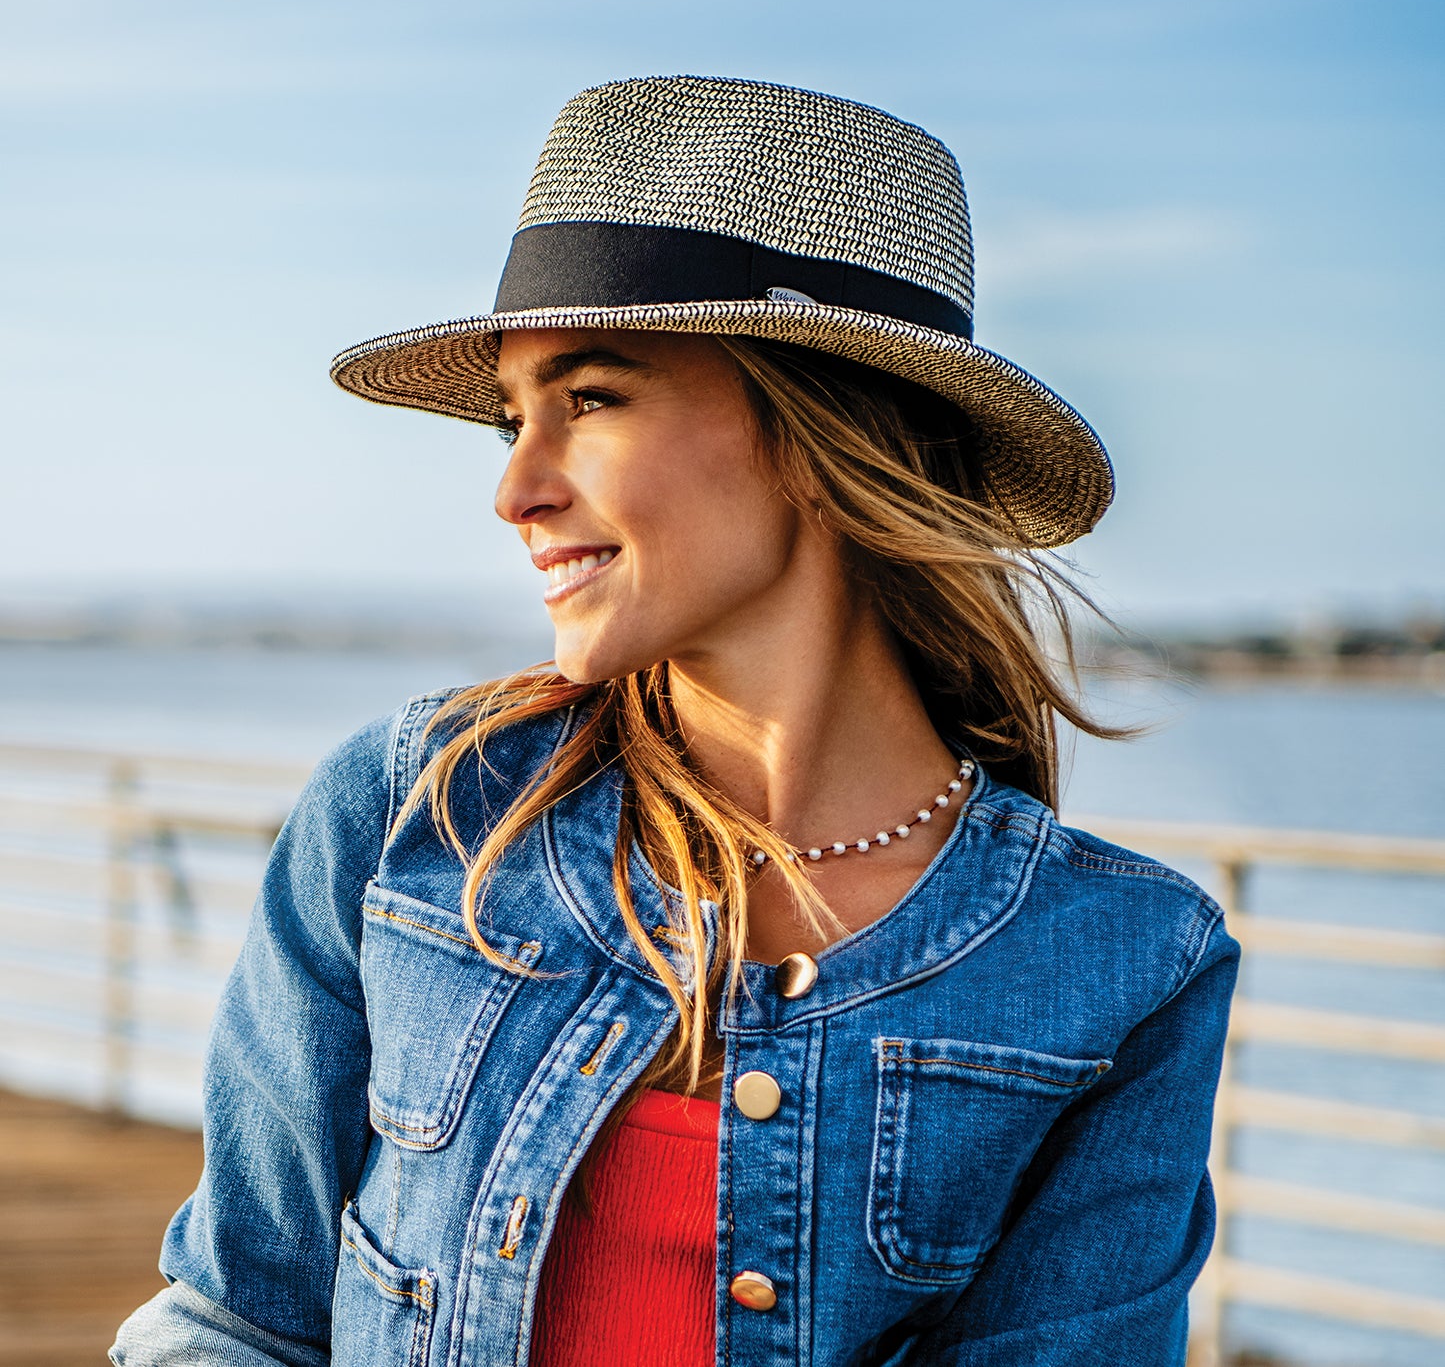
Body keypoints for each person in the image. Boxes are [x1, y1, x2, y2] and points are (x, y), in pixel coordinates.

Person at [111, 76, 1238, 1367]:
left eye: (589, 398)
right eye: (508, 417)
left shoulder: (1118, 960)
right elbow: (234, 1317)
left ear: (824, 423)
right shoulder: (411, 810)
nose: (516, 489)